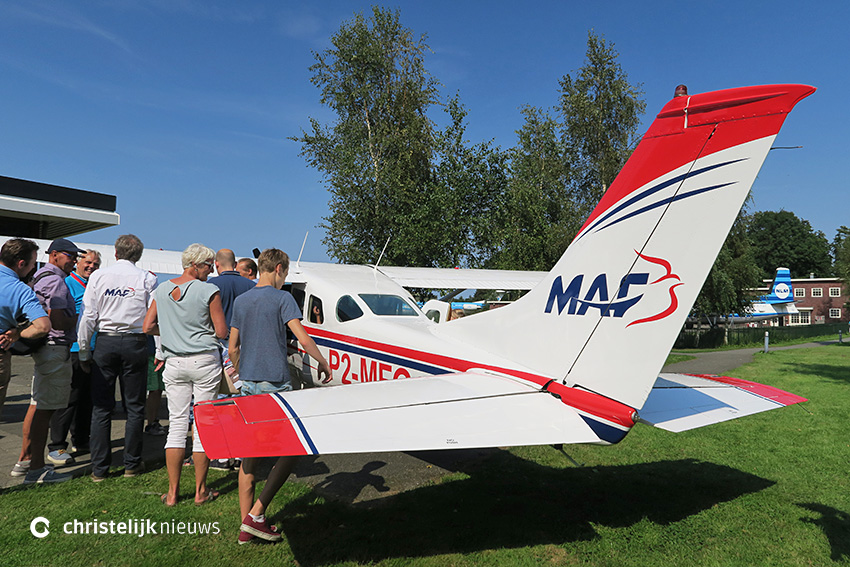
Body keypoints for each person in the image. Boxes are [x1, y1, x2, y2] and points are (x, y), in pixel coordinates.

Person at [229, 248, 331, 544]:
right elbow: (303, 338)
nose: (284, 278)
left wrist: (242, 370)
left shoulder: (242, 300)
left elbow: (233, 347)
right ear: (278, 268)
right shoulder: (283, 298)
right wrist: (322, 362)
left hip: (248, 384)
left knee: (250, 457)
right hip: (275, 384)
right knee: (293, 449)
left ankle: (246, 528)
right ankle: (257, 514)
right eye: (285, 273)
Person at [143, 243, 227, 506]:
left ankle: (172, 493)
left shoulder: (162, 290)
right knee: (202, 426)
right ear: (195, 265)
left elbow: (147, 326)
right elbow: (221, 331)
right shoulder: (209, 291)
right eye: (208, 265)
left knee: (177, 425)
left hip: (174, 362)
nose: (211, 270)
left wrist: (170, 332)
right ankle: (200, 491)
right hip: (204, 361)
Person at [78, 234, 156, 482]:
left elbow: (88, 315)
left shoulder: (99, 276)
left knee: (101, 407)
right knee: (134, 406)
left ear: (115, 252)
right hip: (135, 341)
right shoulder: (146, 278)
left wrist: (83, 350)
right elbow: (153, 317)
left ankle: (99, 468)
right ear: (139, 255)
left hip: (106, 341)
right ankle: (131, 464)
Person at [17, 238, 83, 484]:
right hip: (55, 347)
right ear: (54, 254)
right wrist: (78, 318)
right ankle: (36, 468)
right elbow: (57, 320)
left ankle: (26, 460)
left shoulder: (40, 276)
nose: (74, 261)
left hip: (45, 348)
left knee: (37, 405)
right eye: (70, 256)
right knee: (46, 410)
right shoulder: (55, 280)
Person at [47, 249, 101, 465]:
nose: (91, 267)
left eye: (95, 264)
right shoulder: (68, 283)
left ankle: (81, 439)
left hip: (94, 348)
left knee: (88, 398)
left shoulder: (95, 285)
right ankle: (57, 446)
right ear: (78, 263)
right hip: (74, 349)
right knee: (70, 398)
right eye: (88, 262)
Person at [1, 239, 50, 423]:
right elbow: (43, 326)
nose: (33, 269)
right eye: (32, 264)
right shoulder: (20, 290)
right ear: (21, 264)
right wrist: (18, 333)